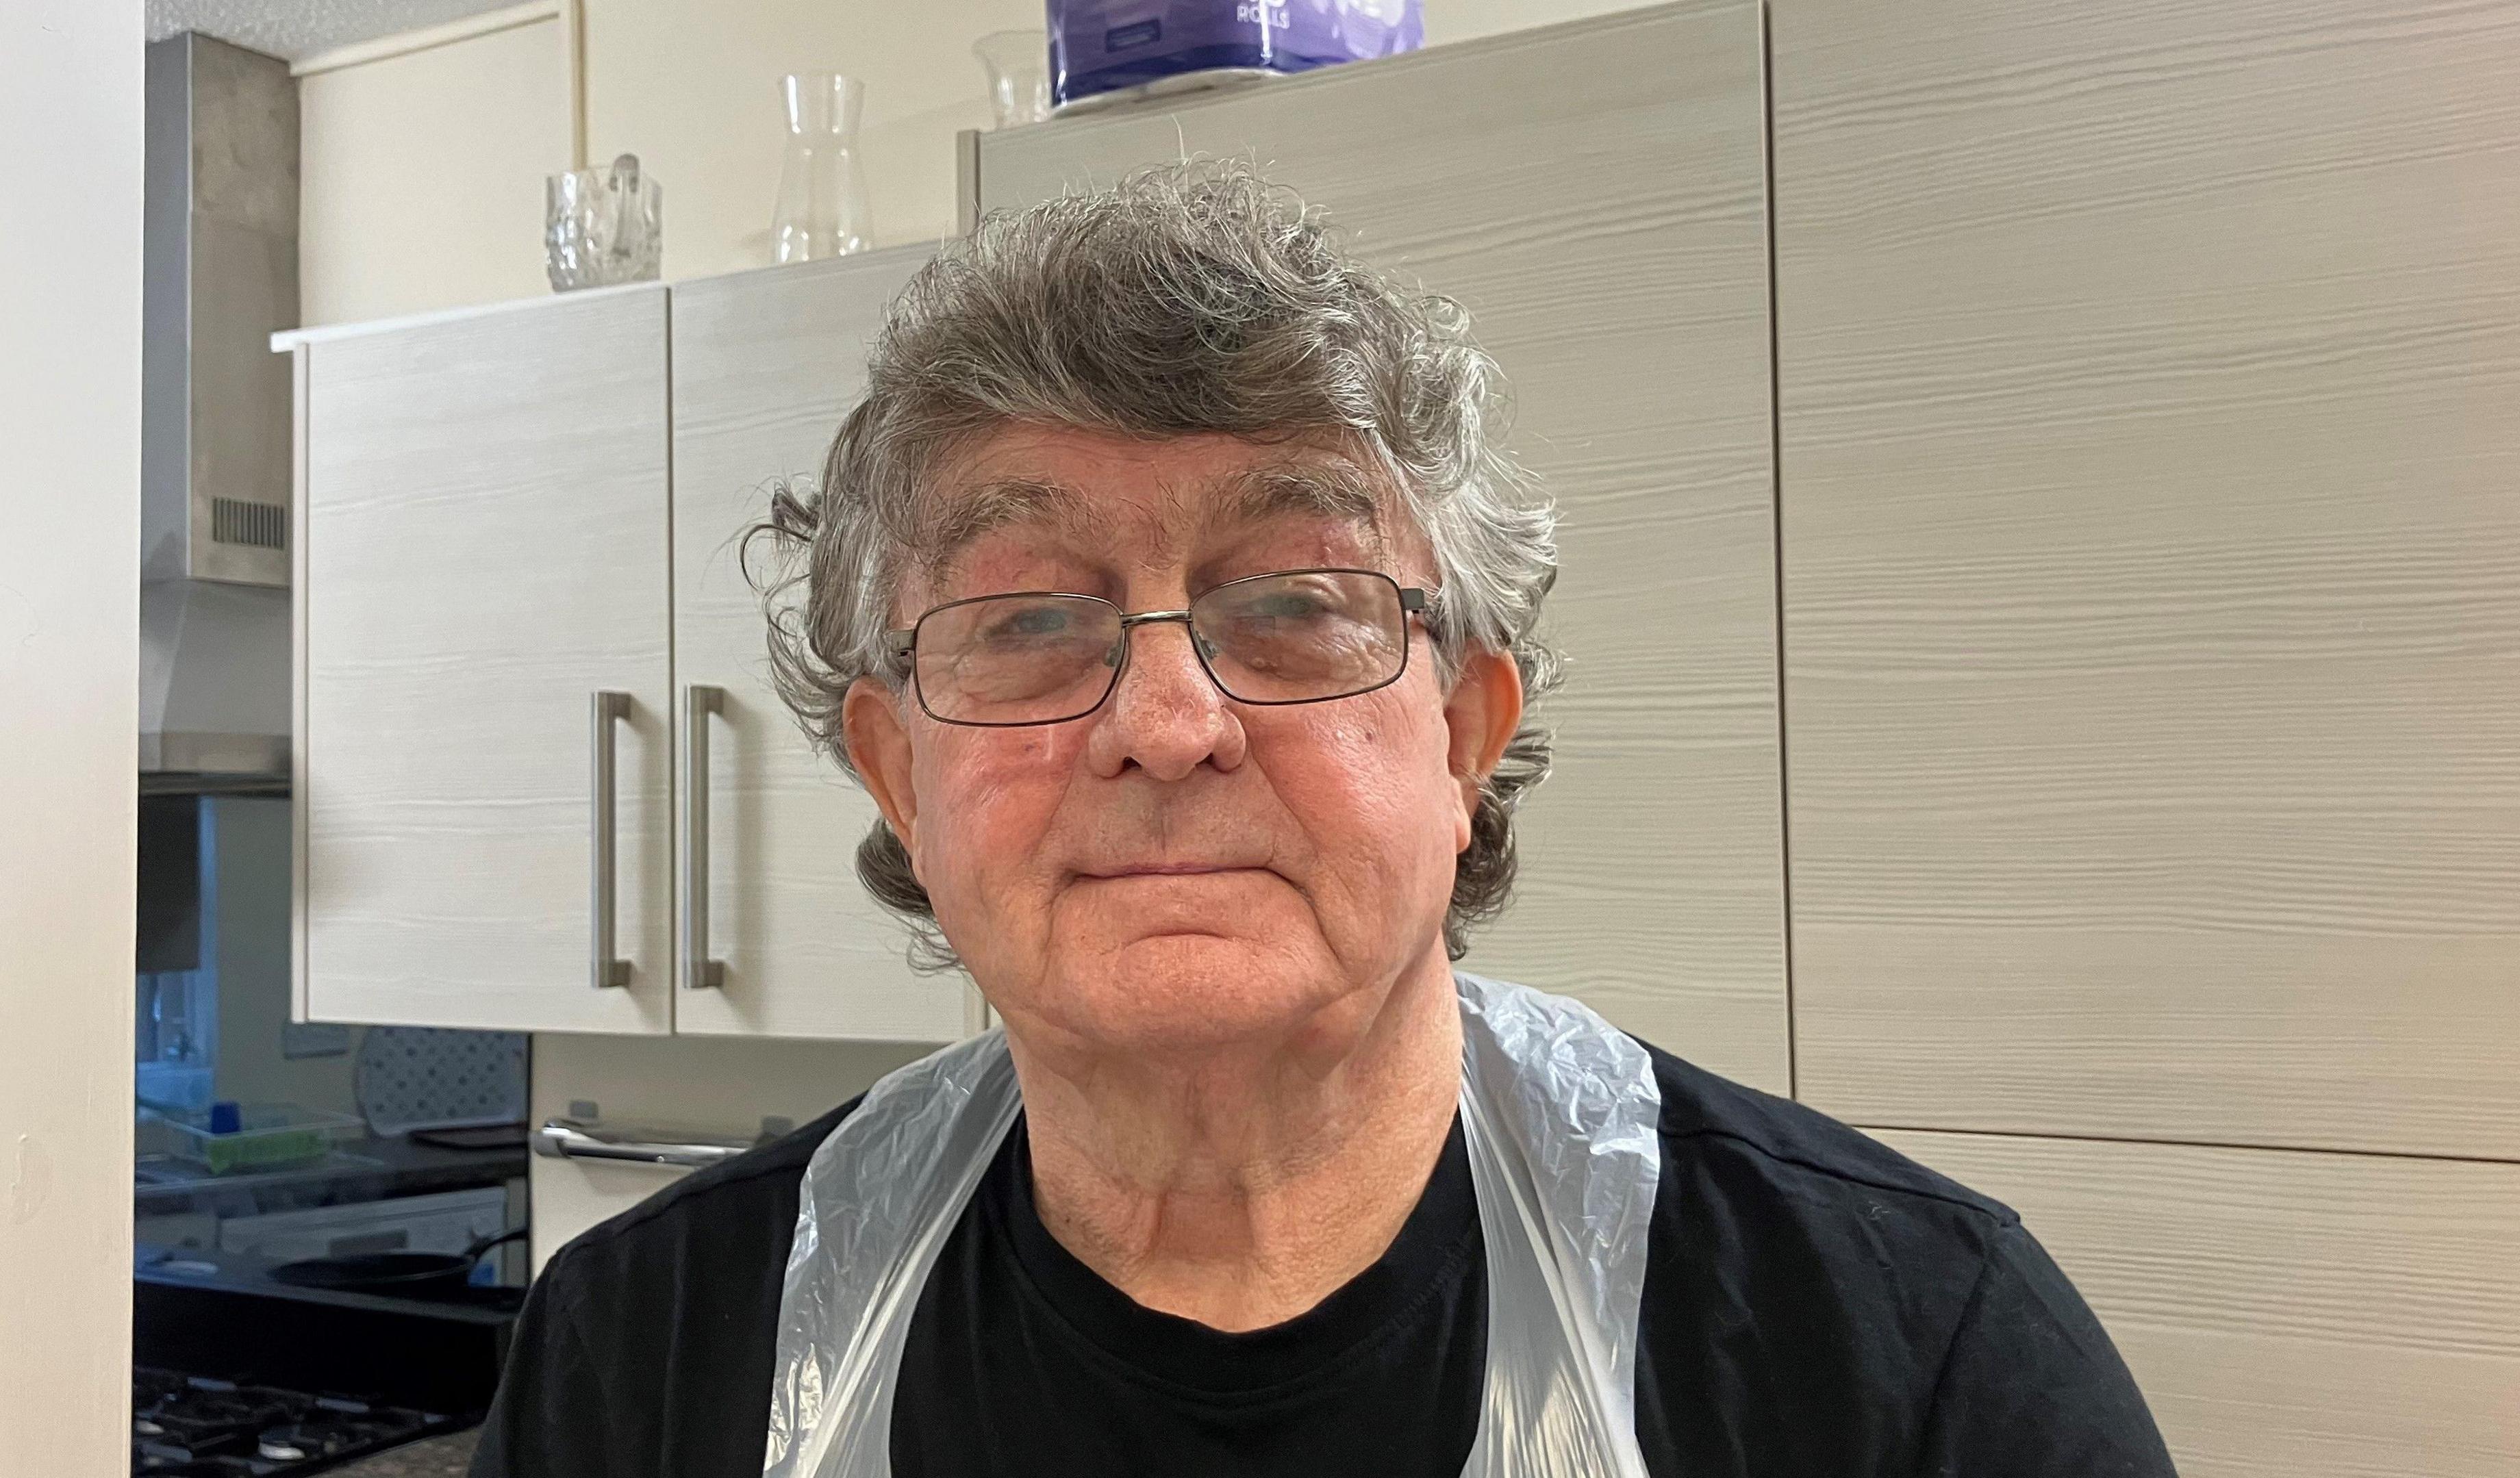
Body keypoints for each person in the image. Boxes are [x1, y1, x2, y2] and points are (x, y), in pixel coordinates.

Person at [471, 162, 2174, 1477]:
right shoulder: (644, 1360)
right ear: (897, 778)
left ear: (1463, 737)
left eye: (1296, 602)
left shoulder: (1904, 1359)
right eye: (1028, 621)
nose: (1165, 723)